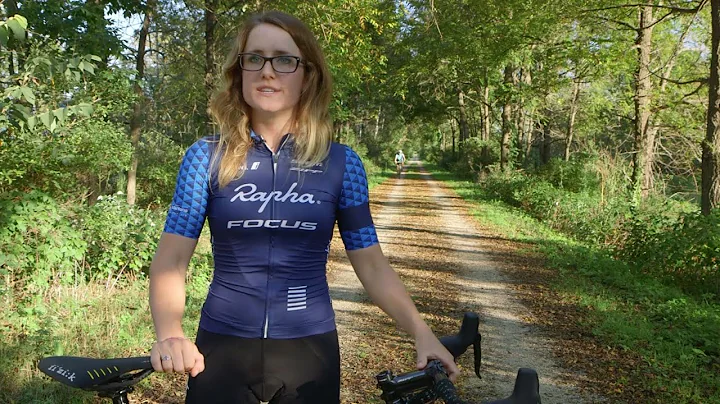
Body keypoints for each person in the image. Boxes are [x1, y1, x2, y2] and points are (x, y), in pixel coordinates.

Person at [148, 10, 458, 404]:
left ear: (308, 75)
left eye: (284, 59)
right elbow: (171, 261)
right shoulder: (205, 158)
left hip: (309, 350)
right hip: (222, 347)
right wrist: (170, 333)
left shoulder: (342, 165)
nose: (268, 71)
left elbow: (372, 264)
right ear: (239, 71)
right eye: (254, 58)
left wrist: (421, 331)